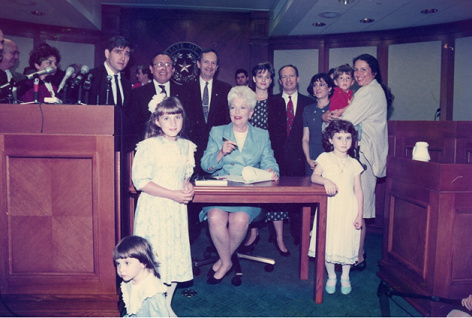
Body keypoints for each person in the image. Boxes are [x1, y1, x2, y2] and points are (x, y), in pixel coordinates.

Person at [200, 86, 279, 284]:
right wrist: (220, 153)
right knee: (215, 218)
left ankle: (222, 260)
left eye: (242, 108)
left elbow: (269, 159)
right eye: (233, 107)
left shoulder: (262, 135)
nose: (237, 112)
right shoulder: (218, 132)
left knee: (240, 221)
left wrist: (272, 170)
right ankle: (226, 262)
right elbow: (205, 165)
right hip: (222, 191)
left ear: (251, 112)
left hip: (248, 192)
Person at [324, 54, 394, 270]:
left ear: (374, 72)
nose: (358, 73)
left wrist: (326, 118)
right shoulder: (371, 91)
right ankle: (352, 253)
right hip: (363, 156)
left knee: (358, 209)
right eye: (356, 69)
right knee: (354, 207)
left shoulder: (369, 92)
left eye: (364, 69)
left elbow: (345, 122)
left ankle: (358, 257)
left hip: (364, 157)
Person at [132, 95, 195, 316]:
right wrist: (173, 194)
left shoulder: (187, 146)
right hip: (155, 209)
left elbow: (184, 176)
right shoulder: (149, 146)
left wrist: (188, 187)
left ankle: (165, 305)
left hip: (175, 211)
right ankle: (153, 306)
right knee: (155, 256)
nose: (173, 123)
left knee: (173, 256)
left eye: (177, 117)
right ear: (157, 120)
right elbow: (141, 181)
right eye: (167, 118)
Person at [308, 120, 364, 295]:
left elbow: (359, 190)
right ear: (331, 140)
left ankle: (345, 276)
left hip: (349, 207)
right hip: (330, 208)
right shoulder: (324, 158)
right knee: (329, 241)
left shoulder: (354, 163)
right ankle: (331, 275)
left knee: (347, 241)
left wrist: (359, 215)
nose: (344, 142)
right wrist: (326, 180)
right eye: (339, 138)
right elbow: (314, 177)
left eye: (348, 138)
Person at [242, 62, 288, 255]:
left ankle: (279, 237)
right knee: (251, 197)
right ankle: (253, 233)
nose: (263, 80)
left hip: (270, 154)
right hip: (249, 156)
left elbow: (280, 132)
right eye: (260, 76)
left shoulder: (277, 101)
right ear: (253, 79)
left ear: (271, 81)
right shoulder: (245, 99)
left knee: (275, 197)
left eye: (267, 77)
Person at [273, 64, 313, 246]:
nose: (288, 80)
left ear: (297, 78)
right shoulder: (271, 101)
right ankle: (275, 235)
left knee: (299, 198)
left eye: (291, 76)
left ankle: (299, 234)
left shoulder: (309, 102)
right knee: (275, 198)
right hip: (276, 158)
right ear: (280, 81)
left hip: (300, 158)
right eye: (284, 77)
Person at [186, 48, 232, 176]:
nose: (209, 66)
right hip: (192, 146)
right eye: (206, 62)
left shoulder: (226, 89)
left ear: (217, 67)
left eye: (213, 63)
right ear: (198, 64)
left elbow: (227, 119)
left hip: (216, 147)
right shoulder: (186, 88)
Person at [127, 52, 188, 147]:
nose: (164, 68)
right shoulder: (137, 94)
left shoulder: (184, 93)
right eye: (159, 64)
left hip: (177, 147)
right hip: (148, 147)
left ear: (173, 70)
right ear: (151, 69)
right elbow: (133, 126)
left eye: (168, 65)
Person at [89, 36, 133, 151]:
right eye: (118, 52)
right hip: (96, 144)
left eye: (127, 54)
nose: (123, 57)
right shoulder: (92, 78)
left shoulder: (127, 84)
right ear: (107, 53)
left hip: (121, 146)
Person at [114, 235, 169, 317]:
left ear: (143, 263)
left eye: (127, 263)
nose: (121, 269)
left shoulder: (152, 292)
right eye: (118, 263)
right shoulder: (130, 277)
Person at [302, 73, 335, 176]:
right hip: (312, 155)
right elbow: (305, 138)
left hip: (330, 154)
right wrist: (308, 159)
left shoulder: (335, 108)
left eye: (321, 84)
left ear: (329, 88)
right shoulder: (308, 109)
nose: (317, 88)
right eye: (315, 85)